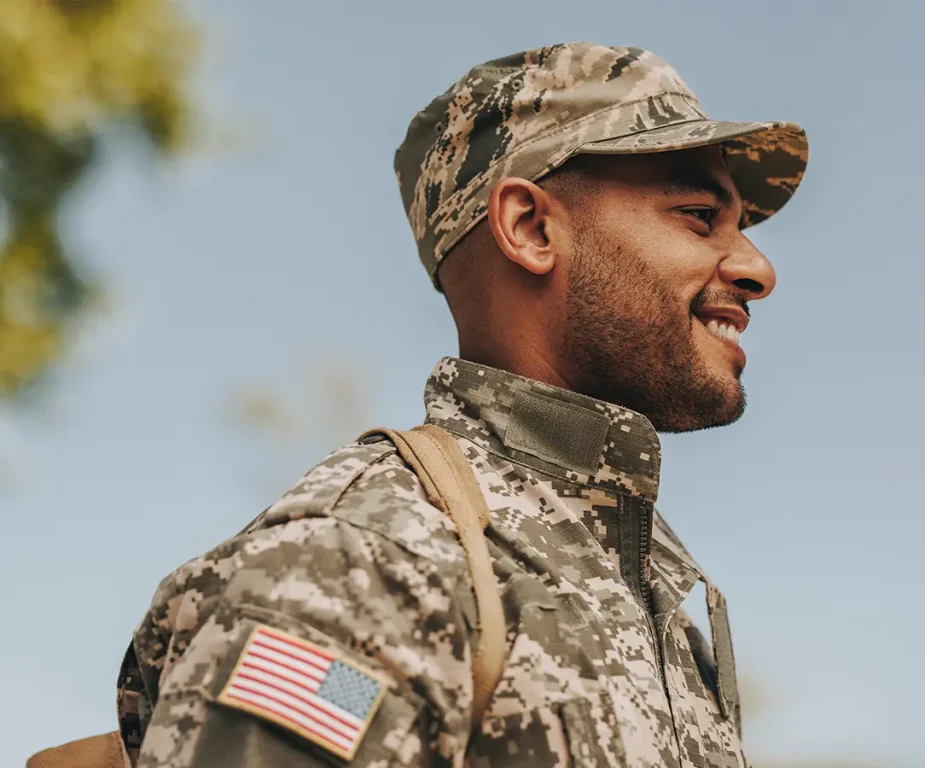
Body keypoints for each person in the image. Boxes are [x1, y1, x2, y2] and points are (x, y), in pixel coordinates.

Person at [117, 41, 808, 767]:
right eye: (700, 215)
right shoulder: (367, 560)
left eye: (743, 228)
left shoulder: (655, 597)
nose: (757, 268)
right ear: (531, 229)